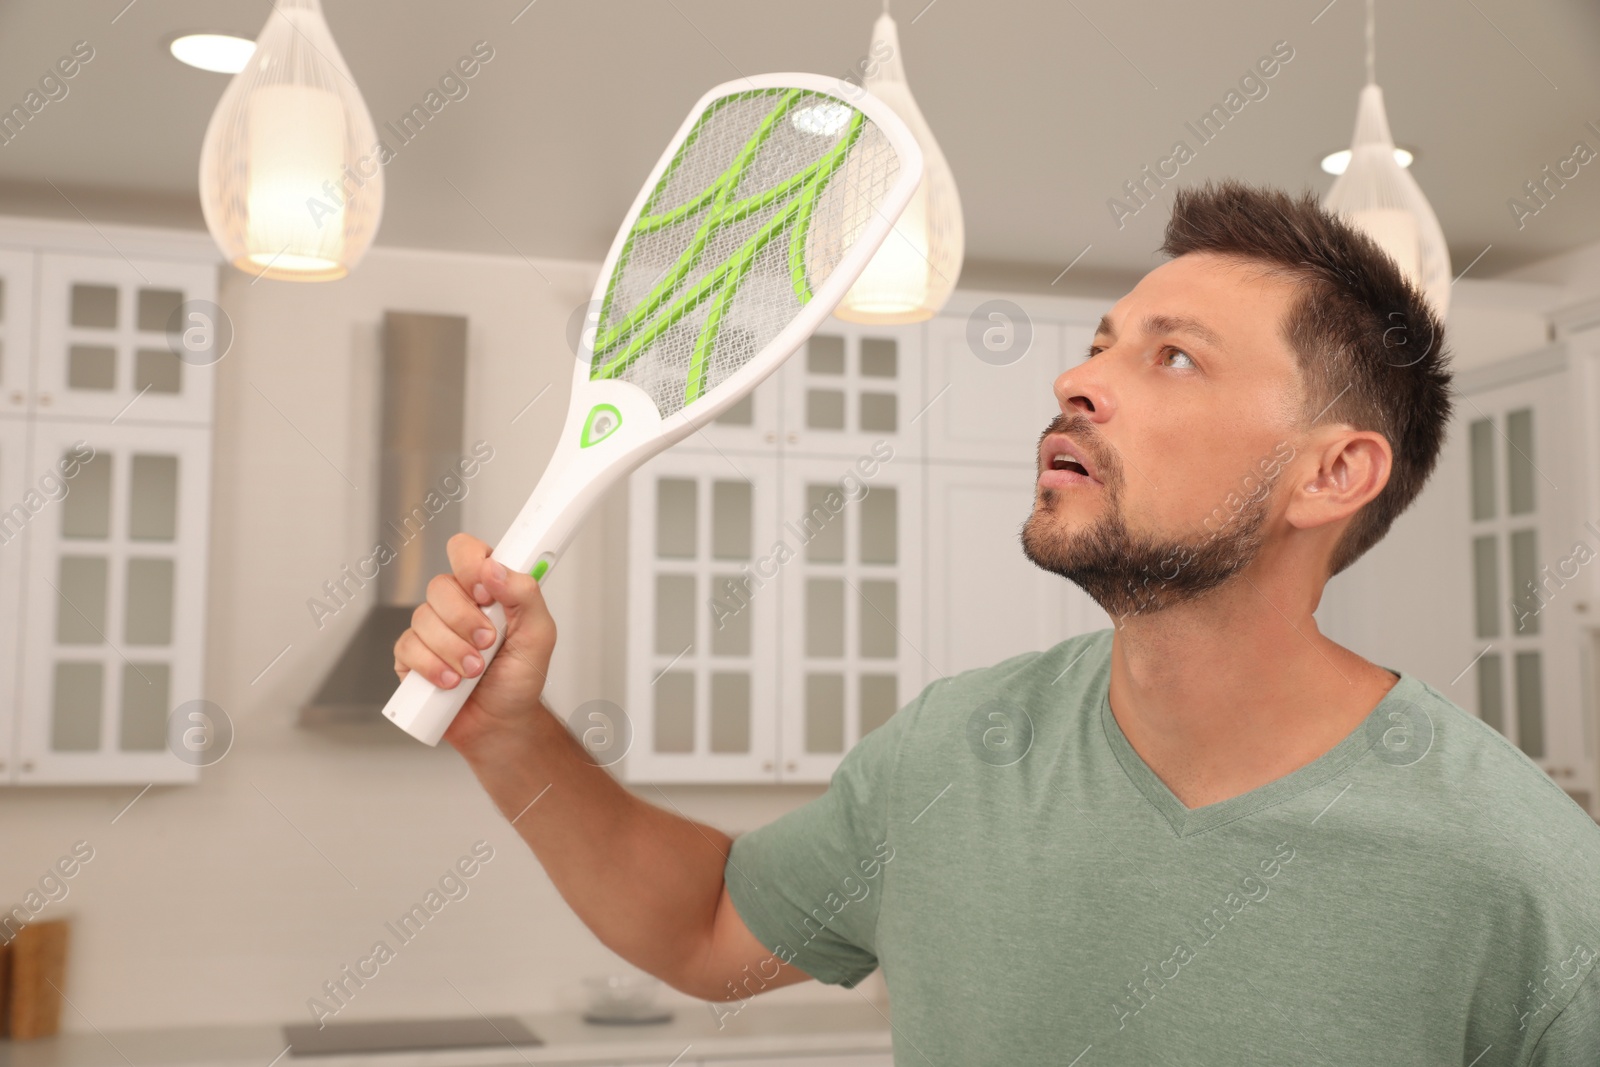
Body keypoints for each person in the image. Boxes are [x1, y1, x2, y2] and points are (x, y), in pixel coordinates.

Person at [392, 180, 1600, 1064]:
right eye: (1098, 343)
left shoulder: (1523, 874)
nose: (1078, 380)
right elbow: (707, 926)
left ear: (1331, 475)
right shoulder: (952, 750)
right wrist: (508, 731)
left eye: (1173, 357)